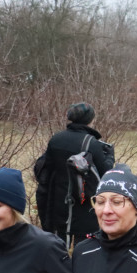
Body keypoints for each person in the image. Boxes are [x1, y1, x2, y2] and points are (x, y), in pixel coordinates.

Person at [35, 102, 114, 248]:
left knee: (58, 247)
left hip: (58, 200)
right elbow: (105, 174)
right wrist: (110, 156)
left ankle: (59, 268)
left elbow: (47, 167)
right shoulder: (92, 143)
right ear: (90, 120)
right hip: (84, 202)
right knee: (83, 248)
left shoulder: (56, 139)